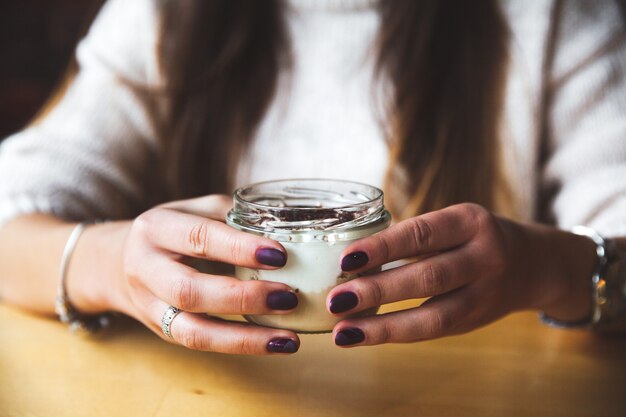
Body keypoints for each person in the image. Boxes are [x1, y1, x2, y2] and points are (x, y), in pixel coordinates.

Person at [0, 0, 625, 355]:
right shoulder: (164, 15)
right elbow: (14, 204)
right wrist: (115, 265)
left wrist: (544, 267)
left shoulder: (549, 19)